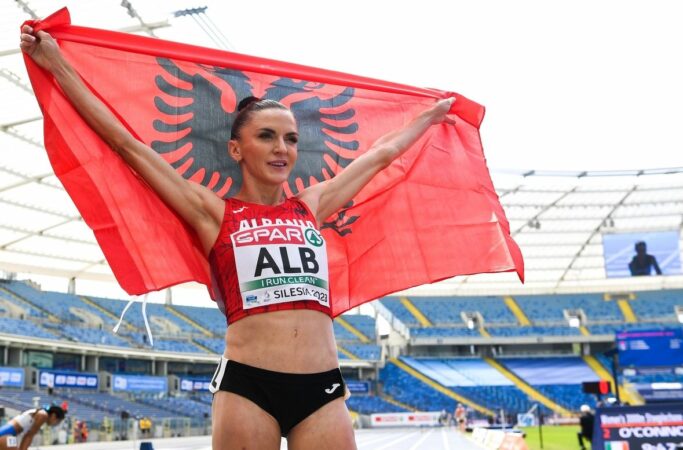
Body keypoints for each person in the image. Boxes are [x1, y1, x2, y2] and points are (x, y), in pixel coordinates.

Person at [21, 24, 456, 450]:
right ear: (236, 149)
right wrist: (58, 66)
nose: (281, 148)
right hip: (249, 387)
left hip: (321, 387)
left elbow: (382, 155)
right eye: (266, 136)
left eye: (290, 139)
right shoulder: (211, 212)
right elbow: (126, 145)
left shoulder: (311, 205)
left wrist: (431, 116)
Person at [0, 404, 66, 450]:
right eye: (58, 421)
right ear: (53, 416)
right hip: (8, 434)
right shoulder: (43, 415)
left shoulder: (40, 413)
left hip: (9, 433)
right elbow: (29, 436)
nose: (55, 424)